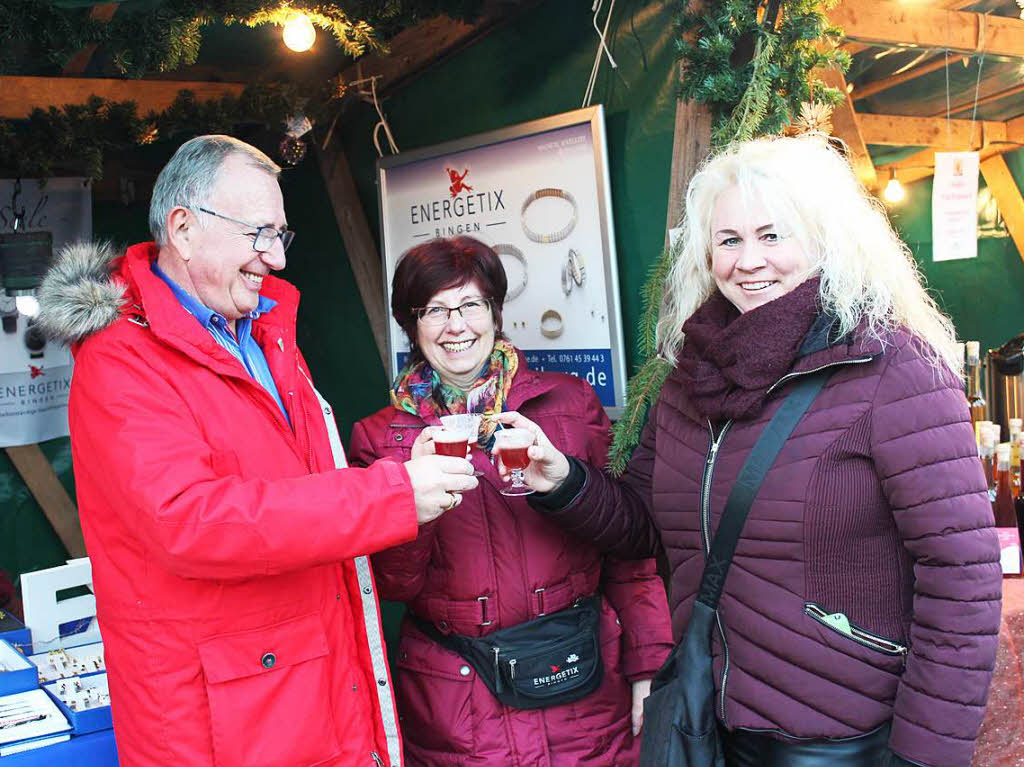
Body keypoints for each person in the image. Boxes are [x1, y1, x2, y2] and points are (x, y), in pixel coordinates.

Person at [495, 136, 1002, 767]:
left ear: (826, 239)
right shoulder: (690, 377)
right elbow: (645, 525)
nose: (748, 261)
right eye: (729, 240)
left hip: (841, 741)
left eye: (773, 235)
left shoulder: (894, 369)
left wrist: (923, 757)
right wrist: (562, 480)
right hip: (712, 726)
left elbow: (963, 581)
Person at [36, 135, 477, 767]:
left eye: (282, 236)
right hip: (224, 724)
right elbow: (191, 520)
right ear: (184, 228)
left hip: (306, 685)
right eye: (258, 233)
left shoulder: (263, 331)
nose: (274, 256)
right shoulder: (120, 360)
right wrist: (391, 492)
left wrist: (401, 476)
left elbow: (295, 481)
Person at [347, 236, 673, 766]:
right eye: (434, 310)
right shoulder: (381, 437)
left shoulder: (566, 402)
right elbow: (390, 586)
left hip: (581, 684)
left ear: (494, 311)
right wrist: (415, 502)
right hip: (459, 700)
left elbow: (629, 550)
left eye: (471, 304)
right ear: (412, 324)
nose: (456, 326)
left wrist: (650, 665)